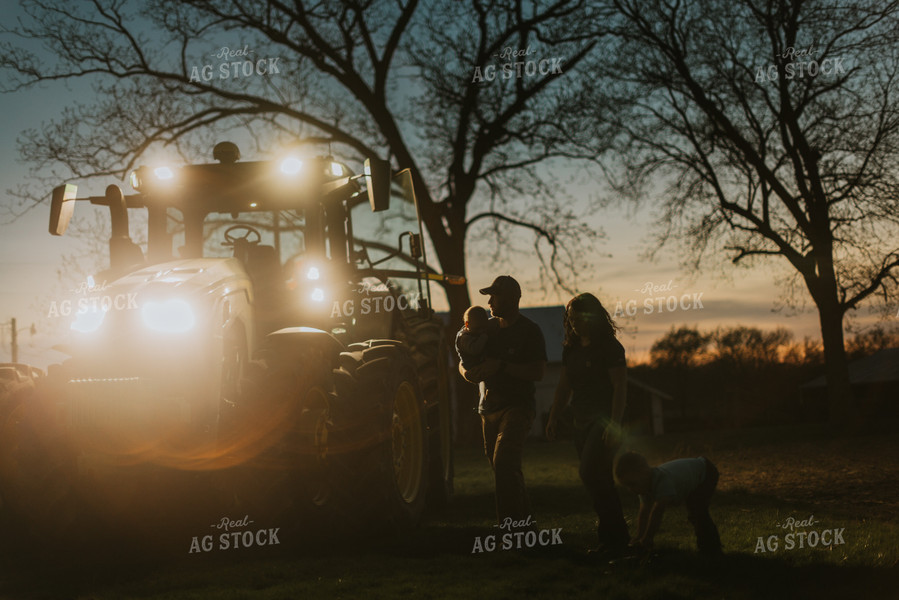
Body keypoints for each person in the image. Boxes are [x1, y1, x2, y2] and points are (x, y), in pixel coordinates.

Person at [545, 292, 630, 557]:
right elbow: (563, 387)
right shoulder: (570, 348)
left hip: (603, 421)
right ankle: (615, 539)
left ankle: (613, 536)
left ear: (593, 316)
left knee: (589, 472)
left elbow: (620, 386)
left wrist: (615, 424)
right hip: (579, 421)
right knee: (599, 479)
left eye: (579, 317)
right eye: (570, 318)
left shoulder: (610, 347)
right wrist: (553, 416)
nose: (574, 323)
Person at [459, 275, 546, 525]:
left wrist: (502, 366)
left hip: (517, 408)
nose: (489, 302)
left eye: (494, 296)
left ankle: (509, 532)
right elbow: (462, 357)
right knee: (504, 471)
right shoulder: (485, 328)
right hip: (488, 410)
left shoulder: (529, 331)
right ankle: (526, 526)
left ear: (511, 298)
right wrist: (467, 374)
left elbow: (538, 372)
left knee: (505, 464)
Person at [615, 452, 723, 555]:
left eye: (632, 484)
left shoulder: (663, 480)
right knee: (695, 509)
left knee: (698, 512)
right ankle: (709, 548)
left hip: (706, 471)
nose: (630, 489)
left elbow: (657, 511)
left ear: (645, 472)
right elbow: (644, 512)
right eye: (627, 486)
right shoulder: (644, 487)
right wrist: (639, 536)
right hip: (696, 473)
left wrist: (648, 538)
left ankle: (711, 549)